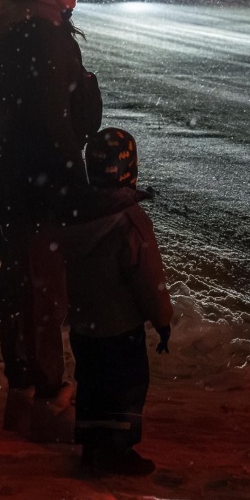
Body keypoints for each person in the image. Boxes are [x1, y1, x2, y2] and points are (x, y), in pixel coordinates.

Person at [0, 0, 102, 442]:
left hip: (16, 176)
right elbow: (54, 125)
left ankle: (23, 396)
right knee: (43, 291)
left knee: (23, 284)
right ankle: (47, 401)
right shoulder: (41, 37)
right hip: (37, 181)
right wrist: (73, 186)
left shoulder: (28, 29)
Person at [63, 127, 173, 476]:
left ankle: (93, 448)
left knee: (93, 384)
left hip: (84, 323)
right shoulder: (130, 223)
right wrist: (162, 318)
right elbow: (147, 277)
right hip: (121, 325)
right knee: (125, 387)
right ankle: (117, 450)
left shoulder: (73, 215)